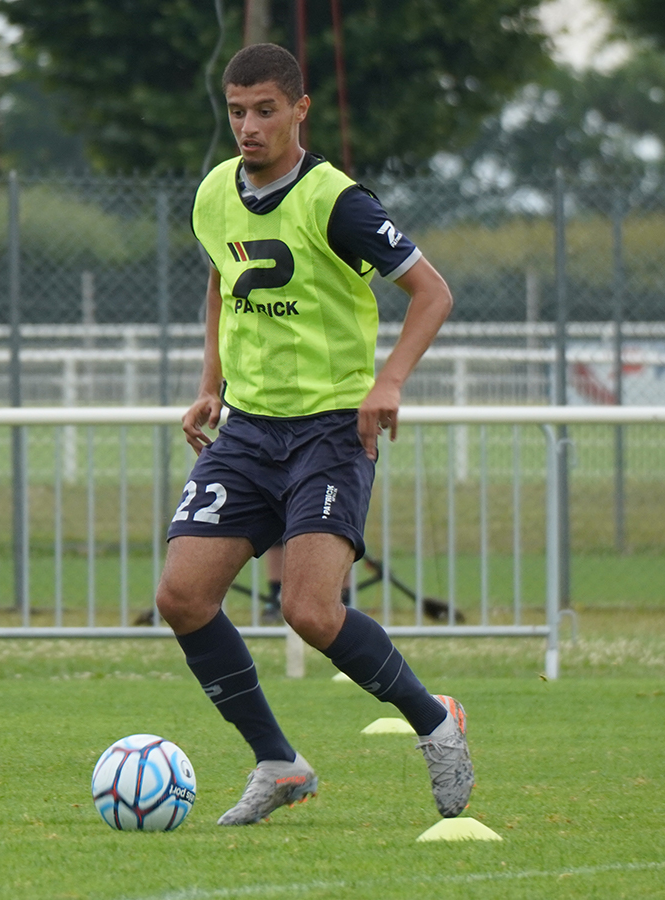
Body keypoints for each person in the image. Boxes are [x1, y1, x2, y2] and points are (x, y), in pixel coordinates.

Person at [157, 43, 472, 825]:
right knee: (183, 596)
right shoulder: (212, 195)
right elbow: (222, 279)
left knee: (311, 611)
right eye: (237, 112)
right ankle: (278, 762)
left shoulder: (337, 201)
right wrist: (210, 384)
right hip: (248, 430)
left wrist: (388, 379)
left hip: (329, 431)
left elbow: (431, 293)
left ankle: (433, 721)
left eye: (266, 110)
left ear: (300, 109)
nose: (249, 127)